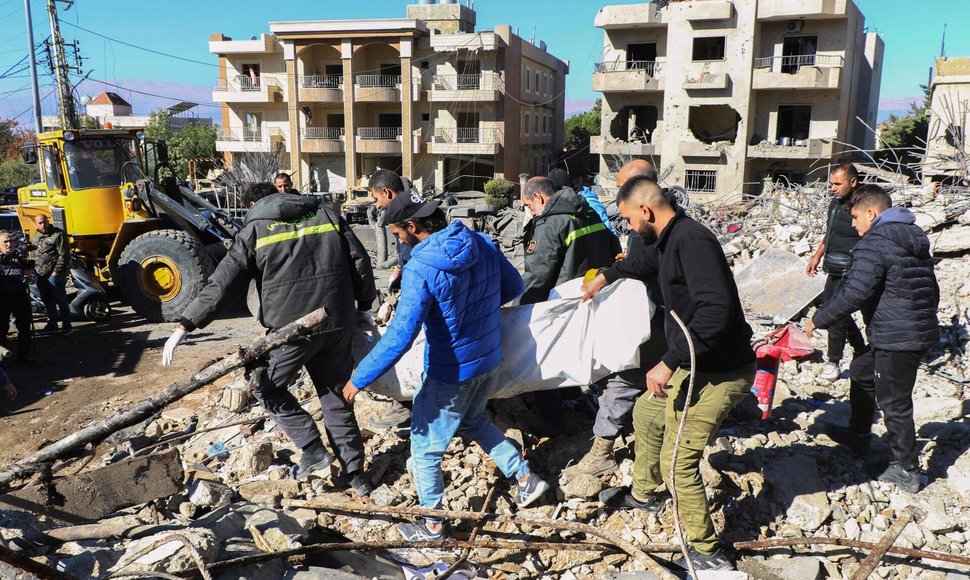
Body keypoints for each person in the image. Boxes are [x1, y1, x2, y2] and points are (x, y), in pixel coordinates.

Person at [342, 192, 550, 541]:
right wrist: (475, 307)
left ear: (412, 226)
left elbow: (400, 337)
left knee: (424, 447)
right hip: (488, 359)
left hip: (450, 371)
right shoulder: (480, 241)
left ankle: (433, 524)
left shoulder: (420, 268)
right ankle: (526, 478)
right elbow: (513, 285)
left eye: (396, 232)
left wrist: (358, 379)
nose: (397, 238)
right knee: (472, 421)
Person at [581, 176, 755, 571]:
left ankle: (708, 554)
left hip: (721, 370)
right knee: (646, 413)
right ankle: (644, 495)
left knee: (680, 462)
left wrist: (669, 360)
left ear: (645, 211)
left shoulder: (692, 241)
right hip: (693, 362)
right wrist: (605, 276)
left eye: (626, 219)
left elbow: (716, 310)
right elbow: (640, 263)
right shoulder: (664, 240)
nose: (626, 228)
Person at [162, 182, 377, 495]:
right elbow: (360, 262)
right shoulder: (326, 216)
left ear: (252, 203)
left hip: (292, 331)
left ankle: (313, 449)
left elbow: (223, 283)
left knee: (264, 386)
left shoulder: (256, 229)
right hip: (337, 320)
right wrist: (365, 307)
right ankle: (357, 476)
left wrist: (184, 325)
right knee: (335, 395)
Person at [806, 186, 939, 493]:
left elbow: (854, 292)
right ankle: (859, 434)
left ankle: (906, 469)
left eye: (855, 218)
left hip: (898, 335)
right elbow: (931, 288)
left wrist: (818, 319)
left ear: (871, 213)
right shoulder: (913, 237)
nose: (853, 225)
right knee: (864, 371)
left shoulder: (875, 242)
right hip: (910, 329)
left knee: (894, 402)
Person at [566, 160, 666, 479]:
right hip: (653, 317)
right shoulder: (659, 223)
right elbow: (645, 262)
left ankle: (602, 452)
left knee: (623, 379)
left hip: (655, 322)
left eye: (624, 188)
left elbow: (655, 269)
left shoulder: (660, 229)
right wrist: (626, 263)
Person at [519, 176, 621, 434]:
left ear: (539, 198)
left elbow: (538, 275)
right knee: (582, 355)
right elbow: (613, 248)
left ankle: (552, 422)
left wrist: (521, 311)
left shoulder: (550, 223)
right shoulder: (588, 211)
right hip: (595, 296)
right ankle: (577, 400)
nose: (530, 212)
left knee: (545, 358)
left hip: (562, 303)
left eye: (529, 206)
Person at [806, 163, 868, 382]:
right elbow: (829, 233)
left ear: (853, 182)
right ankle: (861, 348)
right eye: (831, 183)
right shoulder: (835, 203)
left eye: (837, 184)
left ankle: (833, 361)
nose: (832, 187)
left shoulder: (861, 205)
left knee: (835, 314)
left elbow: (868, 237)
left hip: (849, 268)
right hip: (833, 265)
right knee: (833, 308)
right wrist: (817, 255)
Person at [32, 214, 71, 336]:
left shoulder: (58, 234)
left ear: (48, 221)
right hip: (40, 274)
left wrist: (56, 273)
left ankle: (67, 325)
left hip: (54, 274)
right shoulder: (36, 236)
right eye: (40, 223)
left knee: (61, 300)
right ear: (36, 224)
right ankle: (52, 324)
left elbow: (64, 255)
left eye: (44, 222)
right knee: (47, 301)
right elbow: (34, 254)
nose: (43, 225)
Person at [547, 167, 616, 235]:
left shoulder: (589, 201)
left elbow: (607, 228)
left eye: (554, 191)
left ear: (562, 188)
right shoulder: (564, 202)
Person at [0, 231, 32, 363]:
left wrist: (28, 274)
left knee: (24, 327)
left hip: (20, 296)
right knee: (2, 329)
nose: (9, 244)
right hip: (2, 298)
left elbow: (29, 275)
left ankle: (23, 356)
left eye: (11, 241)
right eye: (5, 242)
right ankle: (2, 358)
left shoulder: (18, 258)